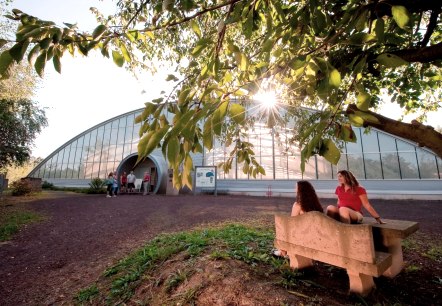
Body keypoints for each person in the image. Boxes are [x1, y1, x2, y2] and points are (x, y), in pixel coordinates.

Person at [273, 180, 324, 257]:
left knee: (285, 227)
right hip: (316, 237)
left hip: (303, 238)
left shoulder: (298, 205)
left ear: (301, 190)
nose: (295, 189)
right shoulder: (316, 205)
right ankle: (283, 251)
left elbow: (292, 223)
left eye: (296, 187)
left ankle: (282, 253)